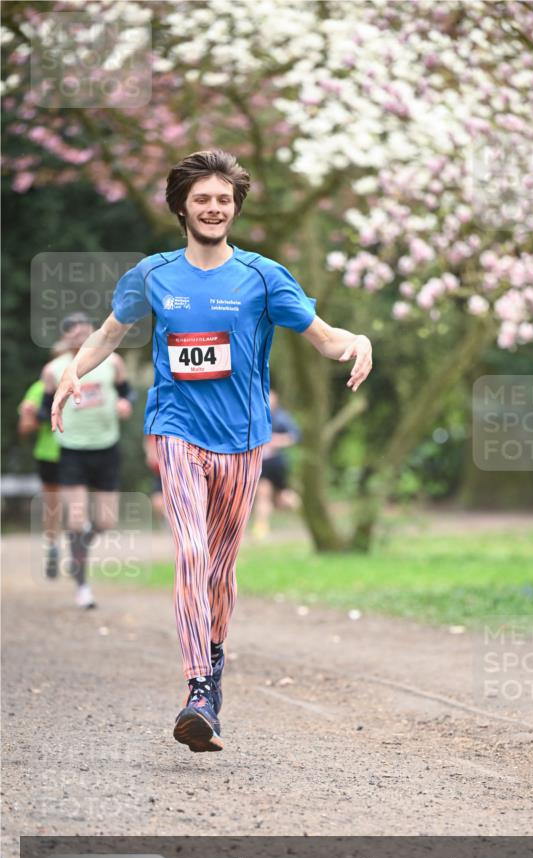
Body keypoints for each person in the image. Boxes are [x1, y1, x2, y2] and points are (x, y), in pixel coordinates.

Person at [51, 148, 372, 754]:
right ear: (182, 207)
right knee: (192, 552)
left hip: (243, 443)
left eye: (224, 199)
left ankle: (213, 656)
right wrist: (75, 369)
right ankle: (198, 689)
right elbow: (110, 332)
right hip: (176, 431)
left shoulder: (263, 276)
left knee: (219, 570)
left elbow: (325, 339)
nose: (214, 207)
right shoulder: (153, 274)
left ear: (235, 207)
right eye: (202, 198)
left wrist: (357, 340)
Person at [43, 312, 134, 609]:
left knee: (106, 521)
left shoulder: (113, 362)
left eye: (86, 333)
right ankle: (82, 586)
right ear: (65, 338)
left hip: (106, 447)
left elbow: (127, 393)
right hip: (72, 450)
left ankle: (78, 550)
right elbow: (46, 407)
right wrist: (37, 414)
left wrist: (126, 403)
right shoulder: (53, 370)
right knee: (76, 520)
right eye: (75, 335)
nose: (81, 339)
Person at [17, 376, 63, 579]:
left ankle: (78, 553)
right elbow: (24, 428)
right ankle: (52, 547)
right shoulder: (38, 388)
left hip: (80, 454)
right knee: (52, 507)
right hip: (49, 455)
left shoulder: (87, 382)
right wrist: (34, 415)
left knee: (75, 504)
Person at [252, 389, 301, 539]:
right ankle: (261, 527)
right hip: (263, 463)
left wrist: (276, 441)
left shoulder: (282, 418)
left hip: (277, 463)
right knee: (263, 493)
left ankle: (304, 514)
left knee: (283, 496)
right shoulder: (256, 417)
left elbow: (295, 436)